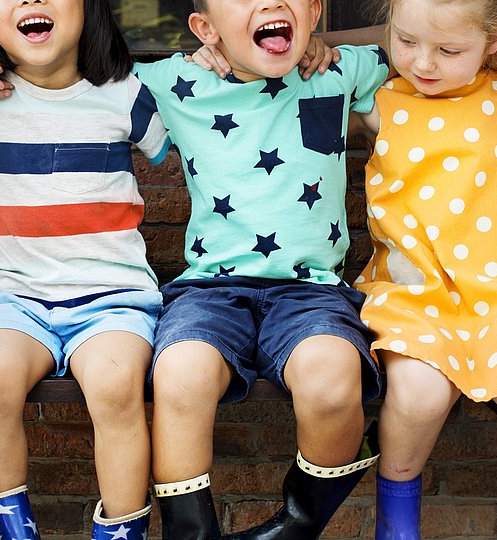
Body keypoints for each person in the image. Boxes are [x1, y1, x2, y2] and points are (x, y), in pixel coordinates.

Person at [311, 0, 497, 537]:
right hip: (417, 296)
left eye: (449, 50)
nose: (423, 63)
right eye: (407, 43)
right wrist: (321, 42)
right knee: (418, 394)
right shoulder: (380, 99)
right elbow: (369, 43)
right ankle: (397, 525)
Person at [131, 0, 389, 537]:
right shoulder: (177, 80)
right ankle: (191, 532)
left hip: (310, 293)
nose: (270, 3)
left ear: (314, 11)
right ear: (205, 28)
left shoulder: (336, 68)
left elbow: (423, 36)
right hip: (210, 291)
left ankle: (297, 522)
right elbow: (62, 73)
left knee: (332, 381)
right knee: (180, 375)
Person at [0, 0, 169, 538]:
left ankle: (121, 530)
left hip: (113, 295)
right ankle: (13, 528)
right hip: (16, 296)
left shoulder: (128, 96)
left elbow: (177, 139)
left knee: (115, 386)